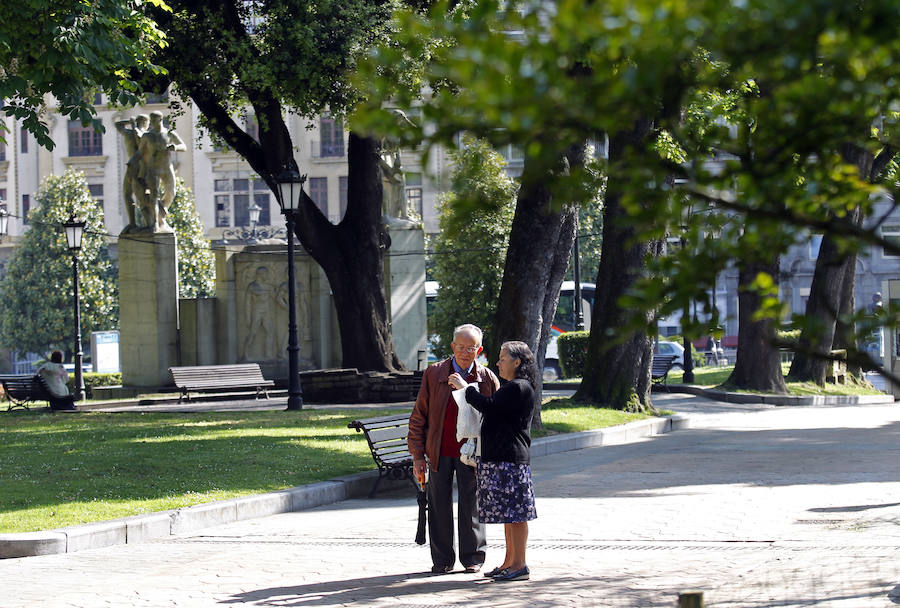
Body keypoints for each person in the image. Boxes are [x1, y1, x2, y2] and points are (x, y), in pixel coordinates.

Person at [408, 323, 500, 574]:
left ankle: (472, 557)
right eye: (460, 347)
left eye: (471, 348)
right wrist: (418, 455)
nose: (465, 353)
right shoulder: (434, 373)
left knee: (472, 503)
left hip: (472, 452)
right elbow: (419, 416)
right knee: (438, 503)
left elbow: (497, 415)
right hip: (439, 450)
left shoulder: (486, 377)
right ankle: (442, 559)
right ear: (452, 347)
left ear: (479, 350)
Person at [449, 340, 537, 582]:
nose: (497, 363)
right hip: (500, 460)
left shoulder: (519, 387)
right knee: (509, 515)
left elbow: (488, 406)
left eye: (502, 358)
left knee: (516, 516)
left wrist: (467, 388)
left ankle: (519, 565)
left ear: (517, 362)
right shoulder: (512, 386)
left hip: (510, 460)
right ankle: (510, 563)